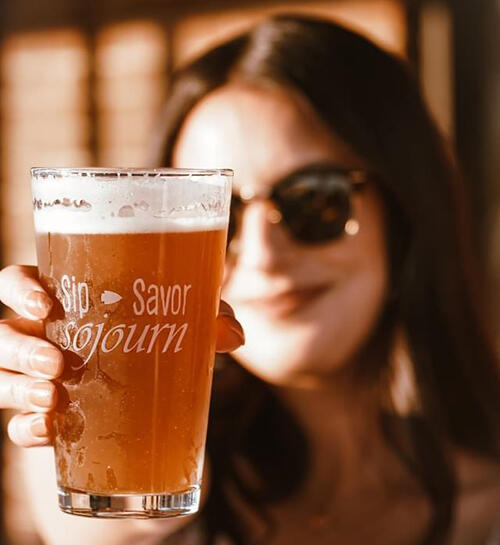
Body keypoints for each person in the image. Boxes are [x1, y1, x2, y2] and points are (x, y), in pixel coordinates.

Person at [1, 13, 499, 545]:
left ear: (405, 212)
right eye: (222, 217)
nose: (262, 254)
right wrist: (101, 460)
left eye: (313, 199)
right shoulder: (176, 507)